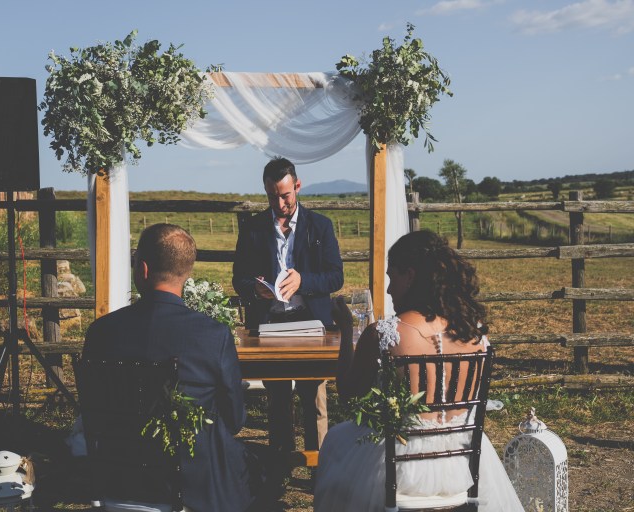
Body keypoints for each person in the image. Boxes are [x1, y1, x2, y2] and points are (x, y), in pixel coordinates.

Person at [314, 230, 524, 511]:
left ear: (410, 276)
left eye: (392, 278)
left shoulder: (384, 333)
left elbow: (348, 393)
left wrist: (345, 329)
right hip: (462, 464)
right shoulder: (475, 334)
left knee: (335, 441)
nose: (389, 289)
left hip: (402, 469)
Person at [83, 224, 260, 512]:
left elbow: (93, 408)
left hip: (118, 474)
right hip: (194, 484)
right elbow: (234, 420)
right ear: (187, 272)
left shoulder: (101, 332)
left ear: (142, 269)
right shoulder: (213, 335)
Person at [233, 157, 344, 454]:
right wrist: (255, 288)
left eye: (285, 195)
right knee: (277, 399)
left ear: (297, 186)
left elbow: (336, 277)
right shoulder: (253, 228)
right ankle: (280, 465)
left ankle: (319, 468)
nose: (280, 203)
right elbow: (238, 278)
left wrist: (303, 281)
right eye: (272, 197)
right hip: (270, 325)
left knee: (315, 399)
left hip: (311, 324)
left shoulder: (320, 226)